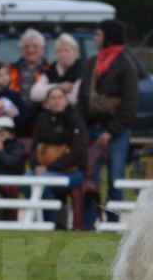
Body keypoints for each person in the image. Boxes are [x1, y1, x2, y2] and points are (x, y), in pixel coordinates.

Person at [78, 18, 140, 218]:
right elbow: (82, 98)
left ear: (108, 36)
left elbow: (129, 106)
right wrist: (83, 127)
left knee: (115, 179)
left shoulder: (126, 64)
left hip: (117, 131)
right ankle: (89, 223)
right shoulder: (91, 63)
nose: (95, 38)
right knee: (90, 178)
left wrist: (110, 131)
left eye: (99, 34)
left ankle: (112, 222)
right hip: (91, 128)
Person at [33, 84, 90, 229]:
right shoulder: (42, 120)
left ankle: (52, 225)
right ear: (47, 103)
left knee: (43, 183)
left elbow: (77, 153)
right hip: (46, 169)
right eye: (53, 98)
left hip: (73, 172)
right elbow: (34, 147)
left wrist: (50, 167)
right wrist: (36, 165)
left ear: (66, 100)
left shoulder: (76, 120)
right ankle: (40, 223)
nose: (57, 101)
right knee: (28, 180)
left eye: (60, 97)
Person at [30, 34, 85, 108]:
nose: (63, 54)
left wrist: (48, 98)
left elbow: (73, 99)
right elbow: (34, 94)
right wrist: (59, 86)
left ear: (76, 53)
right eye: (59, 51)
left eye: (67, 50)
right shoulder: (50, 70)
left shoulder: (84, 70)